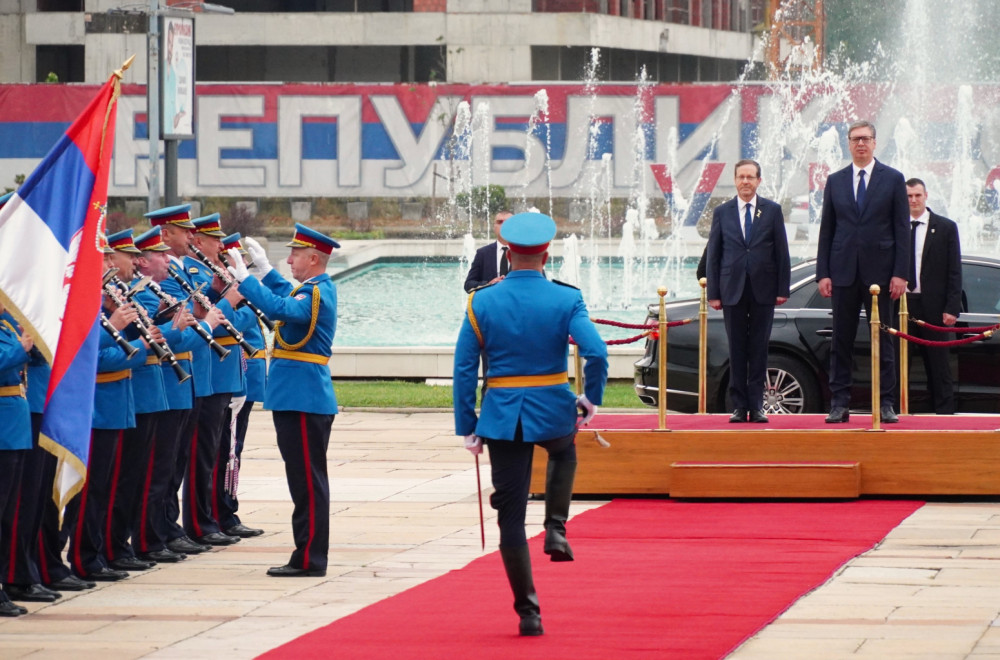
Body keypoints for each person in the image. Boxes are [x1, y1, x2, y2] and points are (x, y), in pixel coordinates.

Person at [453, 211, 608, 637]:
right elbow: (596, 352)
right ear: (546, 254)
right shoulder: (566, 298)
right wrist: (590, 398)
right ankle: (556, 527)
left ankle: (528, 612)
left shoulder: (481, 300)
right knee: (563, 451)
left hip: (502, 417)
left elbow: (464, 369)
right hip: (554, 407)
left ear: (507, 254)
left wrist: (468, 425)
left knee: (510, 517)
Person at [227, 224, 339, 577]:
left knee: (307, 483)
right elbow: (289, 300)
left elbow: (283, 308)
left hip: (303, 398)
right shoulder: (314, 289)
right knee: (303, 481)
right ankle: (307, 554)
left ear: (314, 258)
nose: (289, 259)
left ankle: (309, 559)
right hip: (299, 396)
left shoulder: (317, 293)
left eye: (295, 255)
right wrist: (265, 272)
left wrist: (247, 280)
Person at [816, 120, 909, 423]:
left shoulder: (893, 179)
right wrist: (823, 273)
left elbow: (901, 230)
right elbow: (827, 229)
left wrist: (900, 273)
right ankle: (839, 402)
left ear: (874, 143)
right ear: (848, 143)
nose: (860, 144)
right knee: (841, 340)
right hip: (842, 273)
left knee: (882, 340)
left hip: (881, 276)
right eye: (855, 139)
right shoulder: (836, 180)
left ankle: (885, 402)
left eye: (865, 139)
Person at [706, 160, 790, 423]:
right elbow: (714, 255)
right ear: (735, 180)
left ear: (758, 181)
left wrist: (782, 288)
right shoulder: (723, 212)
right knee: (737, 349)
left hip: (763, 291)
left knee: (759, 349)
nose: (745, 181)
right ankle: (739, 406)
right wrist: (714, 293)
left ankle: (757, 405)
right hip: (732, 291)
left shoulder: (772, 211)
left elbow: (781, 252)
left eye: (750, 177)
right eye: (741, 177)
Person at [904, 177, 962, 414]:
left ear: (926, 196)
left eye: (917, 195)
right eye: (909, 196)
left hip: (935, 307)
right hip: (903, 306)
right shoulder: (895, 226)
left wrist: (952, 307)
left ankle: (944, 415)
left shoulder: (946, 227)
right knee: (898, 364)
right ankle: (899, 413)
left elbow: (954, 270)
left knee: (939, 365)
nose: (914, 200)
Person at [0, 300, 35, 616]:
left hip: (14, 427)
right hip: (3, 427)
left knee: (8, 511)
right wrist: (22, 348)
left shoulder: (7, 324)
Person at [464, 211, 513, 293]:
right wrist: (489, 284)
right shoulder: (482, 253)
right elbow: (468, 285)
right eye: (500, 222)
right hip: (491, 303)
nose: (503, 225)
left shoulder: (526, 254)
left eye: (508, 222)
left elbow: (540, 282)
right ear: (494, 227)